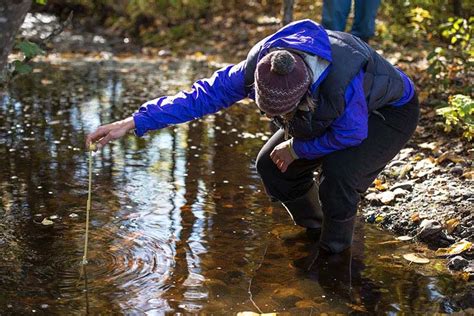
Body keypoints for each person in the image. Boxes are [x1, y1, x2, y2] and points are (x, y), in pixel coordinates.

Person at [86, 19, 418, 254]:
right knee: (272, 166)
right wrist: (132, 122)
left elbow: (351, 133)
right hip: (325, 115)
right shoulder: (259, 66)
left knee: (339, 178)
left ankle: (335, 253)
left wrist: (299, 148)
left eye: (283, 113)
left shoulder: (341, 82)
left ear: (304, 95)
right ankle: (314, 228)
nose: (275, 119)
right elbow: (199, 97)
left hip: (385, 115)